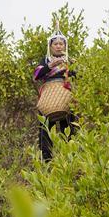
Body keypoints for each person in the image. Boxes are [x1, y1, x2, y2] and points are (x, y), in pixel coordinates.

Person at [34, 32, 77, 162]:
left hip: (65, 95)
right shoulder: (46, 60)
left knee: (68, 126)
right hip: (49, 96)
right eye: (55, 44)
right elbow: (37, 75)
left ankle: (70, 157)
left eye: (61, 44)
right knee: (45, 128)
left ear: (65, 45)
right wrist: (50, 66)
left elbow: (77, 76)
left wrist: (73, 67)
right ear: (50, 46)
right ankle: (47, 159)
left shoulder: (69, 60)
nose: (58, 46)